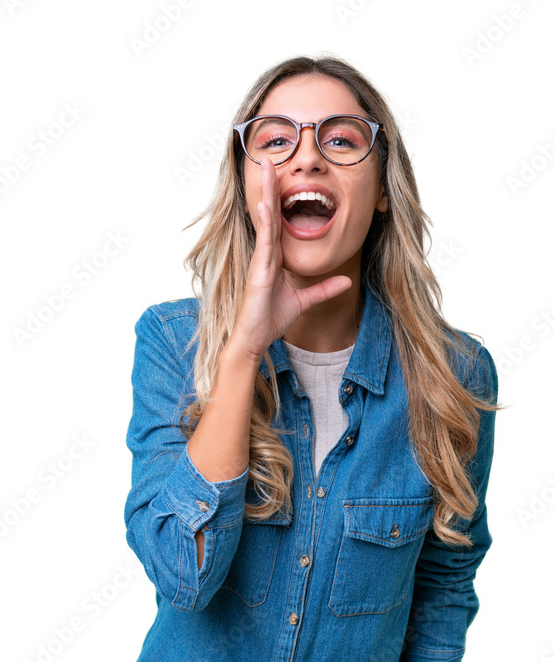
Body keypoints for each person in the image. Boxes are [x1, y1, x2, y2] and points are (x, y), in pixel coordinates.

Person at [124, 54, 502, 661]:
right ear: (245, 184)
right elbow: (182, 578)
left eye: (341, 139)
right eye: (275, 139)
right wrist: (244, 352)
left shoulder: (453, 376)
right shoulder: (175, 341)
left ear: (381, 190)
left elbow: (444, 585)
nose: (306, 156)